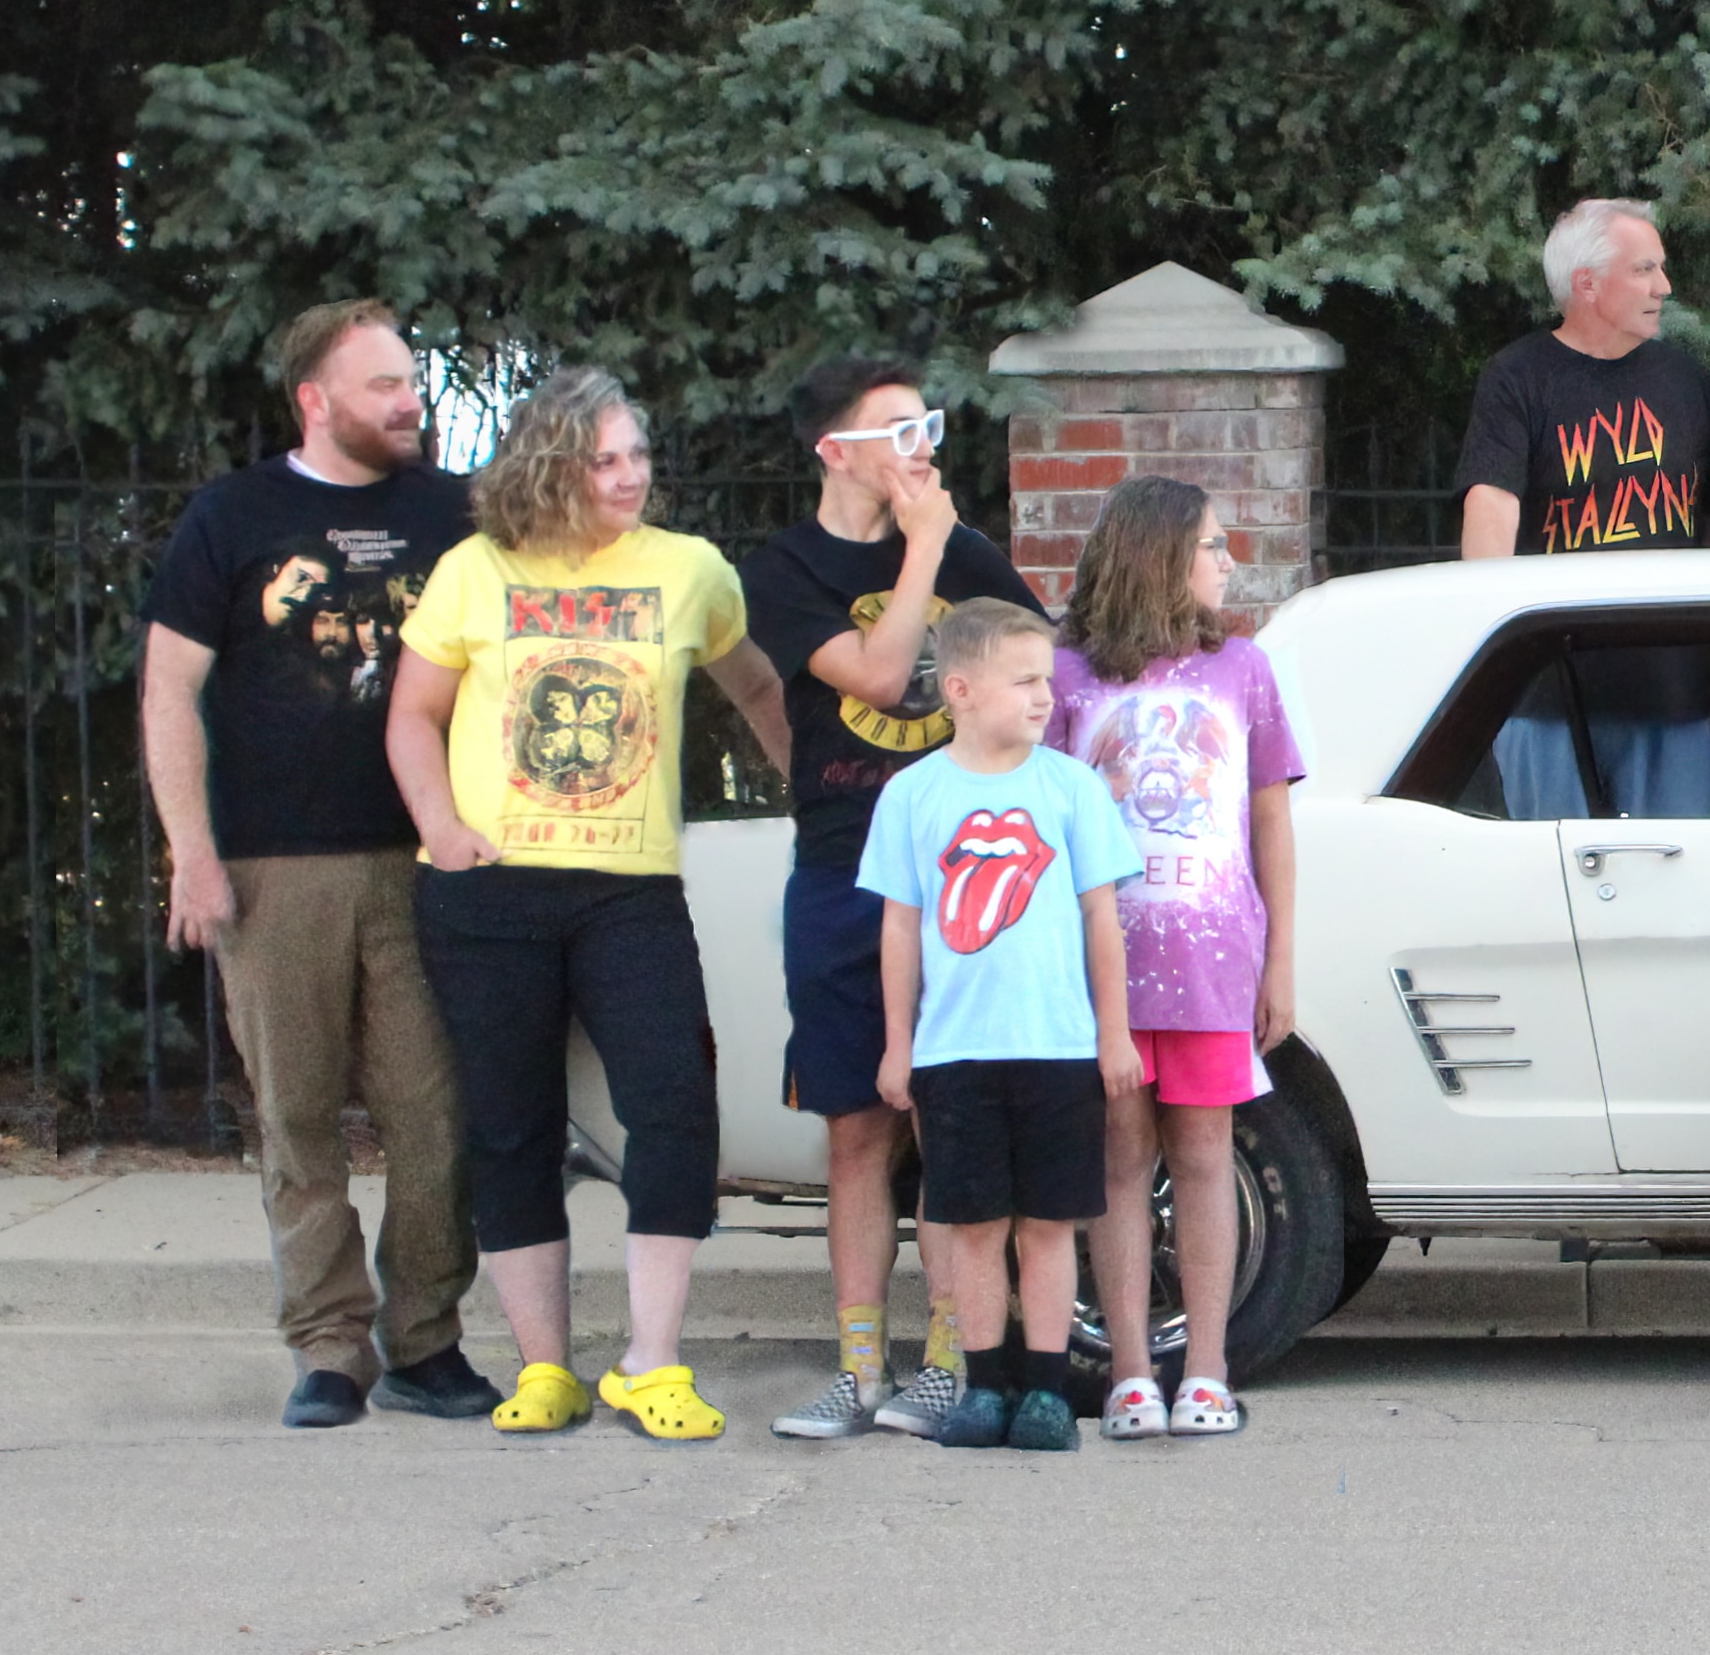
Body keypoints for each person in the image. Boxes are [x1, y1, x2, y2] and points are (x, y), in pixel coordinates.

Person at [386, 366, 792, 1438]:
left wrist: (819, 799)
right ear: (549, 465)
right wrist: (443, 830)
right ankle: (543, 1370)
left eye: (637, 454)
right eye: (604, 458)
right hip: (487, 896)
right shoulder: (475, 570)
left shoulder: (690, 570)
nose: (629, 476)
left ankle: (650, 1363)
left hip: (629, 894)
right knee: (511, 1130)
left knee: (673, 1108)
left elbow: (755, 683)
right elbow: (411, 716)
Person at [141, 301, 492, 1428]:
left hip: (426, 858)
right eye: (384, 385)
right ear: (315, 399)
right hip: (273, 866)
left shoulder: (456, 513)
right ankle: (330, 1346)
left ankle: (425, 1336)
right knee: (296, 1118)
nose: (410, 401)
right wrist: (192, 855)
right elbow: (168, 692)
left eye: (412, 383)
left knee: (437, 1117)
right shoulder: (233, 515)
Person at [739, 353, 1041, 1443]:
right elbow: (873, 674)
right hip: (843, 867)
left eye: (930, 425)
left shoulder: (965, 551)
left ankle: (950, 1360)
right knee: (858, 1129)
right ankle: (857, 1367)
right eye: (897, 428)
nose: (922, 447)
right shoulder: (785, 568)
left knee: (954, 1120)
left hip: (967, 871)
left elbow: (1030, 667)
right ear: (836, 451)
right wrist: (919, 550)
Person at [1050, 477, 1305, 1436]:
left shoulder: (1244, 670)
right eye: (1211, 544)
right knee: (1118, 1161)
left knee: (1204, 1153)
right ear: (1159, 554)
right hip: (1101, 972)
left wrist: (1279, 961)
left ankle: (1205, 1367)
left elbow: (1271, 819)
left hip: (1212, 966)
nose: (1227, 560)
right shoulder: (1071, 677)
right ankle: (1125, 1372)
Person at [863, 600, 1145, 1452]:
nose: (1042, 699)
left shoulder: (1070, 787)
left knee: (1050, 1225)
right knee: (974, 1227)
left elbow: (1102, 917)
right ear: (961, 690)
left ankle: (1050, 1392)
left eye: (1046, 682)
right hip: (954, 1054)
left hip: (1057, 1048)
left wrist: (1114, 1032)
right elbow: (901, 927)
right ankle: (984, 1386)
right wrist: (898, 1045)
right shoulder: (912, 795)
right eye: (1023, 681)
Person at [1458, 198, 1710, 817]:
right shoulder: (1518, 377)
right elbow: (1490, 509)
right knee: (1551, 892)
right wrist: (1492, 665)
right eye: (1644, 270)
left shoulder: (1688, 382)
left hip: (1671, 692)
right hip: (1547, 695)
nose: (1664, 286)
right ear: (1587, 284)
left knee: (1672, 892)